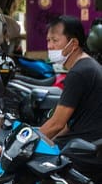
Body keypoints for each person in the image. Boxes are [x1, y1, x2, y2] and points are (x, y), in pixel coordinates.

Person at [39, 15, 102, 147]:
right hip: (86, 144)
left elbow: (57, 124)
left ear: (73, 44)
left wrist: (23, 144)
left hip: (83, 149)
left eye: (55, 41)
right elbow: (66, 125)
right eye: (48, 40)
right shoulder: (87, 65)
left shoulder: (79, 73)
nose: (50, 46)